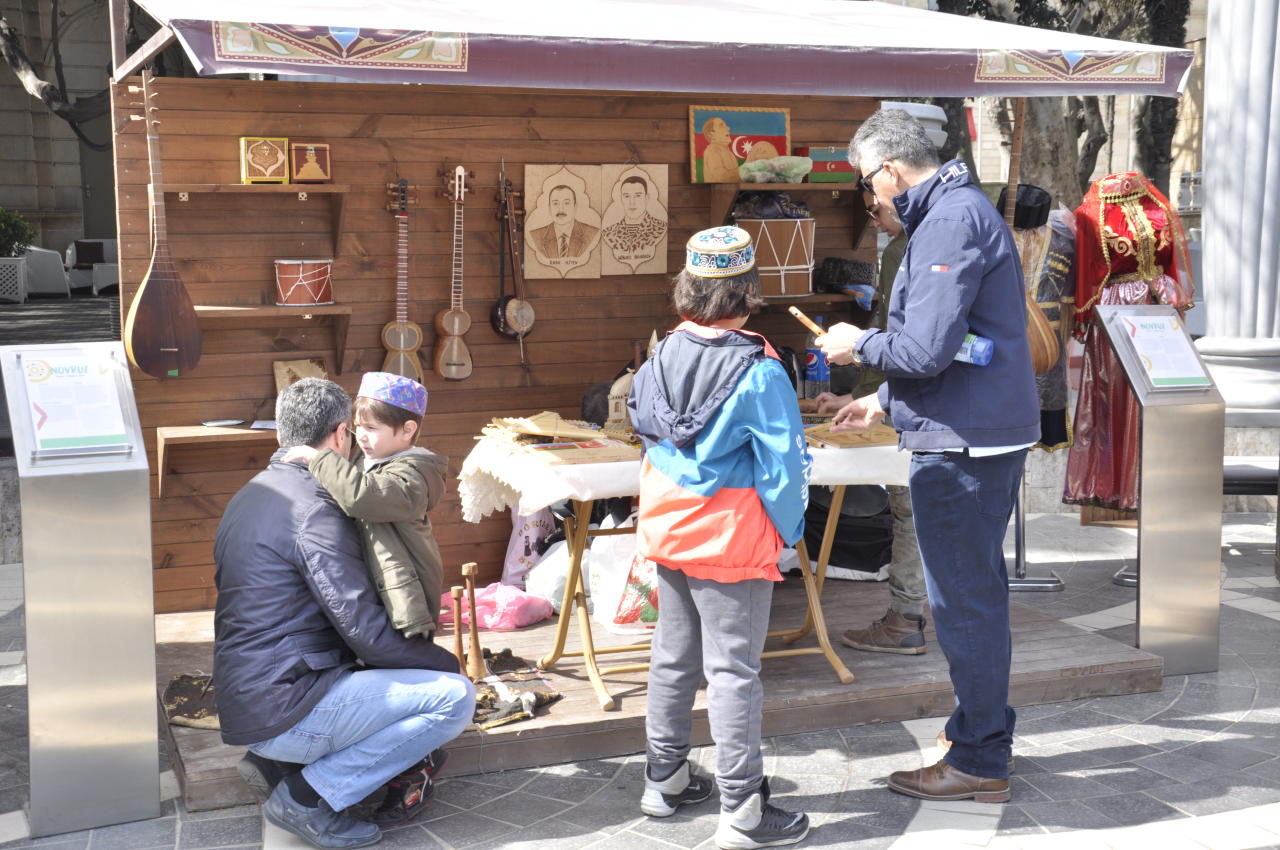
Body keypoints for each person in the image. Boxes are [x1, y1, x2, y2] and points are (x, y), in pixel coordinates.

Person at [817, 109, 1038, 804]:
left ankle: (978, 758)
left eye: (867, 184)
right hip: (976, 427)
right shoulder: (956, 209)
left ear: (889, 168)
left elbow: (927, 348)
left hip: (965, 442)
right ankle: (978, 730)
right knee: (976, 596)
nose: (871, 199)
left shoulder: (946, 220)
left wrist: (857, 344)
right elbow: (962, 340)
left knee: (965, 603)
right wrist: (882, 401)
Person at [213, 378, 474, 849]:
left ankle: (277, 765)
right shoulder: (315, 507)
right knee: (452, 696)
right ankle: (307, 796)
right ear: (338, 436)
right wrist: (446, 665)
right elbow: (365, 630)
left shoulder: (250, 492)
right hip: (286, 705)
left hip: (247, 698)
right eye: (354, 432)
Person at [628, 225, 812, 849]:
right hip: (730, 535)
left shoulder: (659, 354)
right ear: (746, 291)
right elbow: (785, 466)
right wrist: (789, 535)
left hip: (667, 523)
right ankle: (743, 810)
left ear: (688, 286)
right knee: (733, 671)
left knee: (672, 658)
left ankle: (664, 778)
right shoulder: (760, 368)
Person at [814, 193, 928, 656]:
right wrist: (858, 395)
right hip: (930, 404)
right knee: (920, 515)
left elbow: (899, 341)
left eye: (875, 210)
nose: (873, 221)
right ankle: (913, 616)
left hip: (915, 406)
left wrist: (868, 390)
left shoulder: (906, 248)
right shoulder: (934, 238)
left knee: (911, 514)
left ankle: (905, 620)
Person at [284, 371, 446, 641]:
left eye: (372, 429)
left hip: (403, 595)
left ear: (408, 430)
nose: (361, 436)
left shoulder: (414, 475)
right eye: (357, 427)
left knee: (407, 658)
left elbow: (363, 497)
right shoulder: (369, 459)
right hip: (377, 585)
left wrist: (319, 459)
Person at [603, 174, 667, 257]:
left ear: (646, 198)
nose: (632, 202)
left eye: (637, 196)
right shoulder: (609, 233)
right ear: (621, 199)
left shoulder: (660, 228)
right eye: (626, 196)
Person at [530, 184, 600, 259]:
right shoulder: (535, 236)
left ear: (575, 207)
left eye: (566, 203)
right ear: (549, 208)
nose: (561, 209)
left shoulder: (592, 234)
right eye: (555, 203)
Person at [701, 116, 740, 182]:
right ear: (711, 134)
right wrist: (745, 169)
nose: (728, 128)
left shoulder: (726, 151)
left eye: (726, 125)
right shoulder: (712, 151)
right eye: (721, 126)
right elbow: (722, 177)